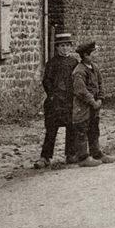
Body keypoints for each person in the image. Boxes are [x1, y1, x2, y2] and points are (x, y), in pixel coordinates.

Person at [69, 41, 115, 166]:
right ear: (85, 55)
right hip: (83, 107)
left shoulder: (95, 68)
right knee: (81, 130)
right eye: (93, 53)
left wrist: (100, 98)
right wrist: (93, 102)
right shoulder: (79, 71)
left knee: (94, 129)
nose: (95, 56)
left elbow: (101, 84)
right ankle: (83, 158)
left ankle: (96, 153)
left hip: (94, 106)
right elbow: (81, 91)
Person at [35, 32, 78, 169]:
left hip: (69, 101)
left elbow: (77, 80)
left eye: (67, 46)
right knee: (51, 129)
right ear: (57, 48)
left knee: (71, 128)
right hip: (55, 103)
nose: (65, 49)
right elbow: (46, 81)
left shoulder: (74, 63)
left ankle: (70, 154)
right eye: (62, 46)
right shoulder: (52, 63)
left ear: (70, 48)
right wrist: (52, 95)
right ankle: (45, 157)